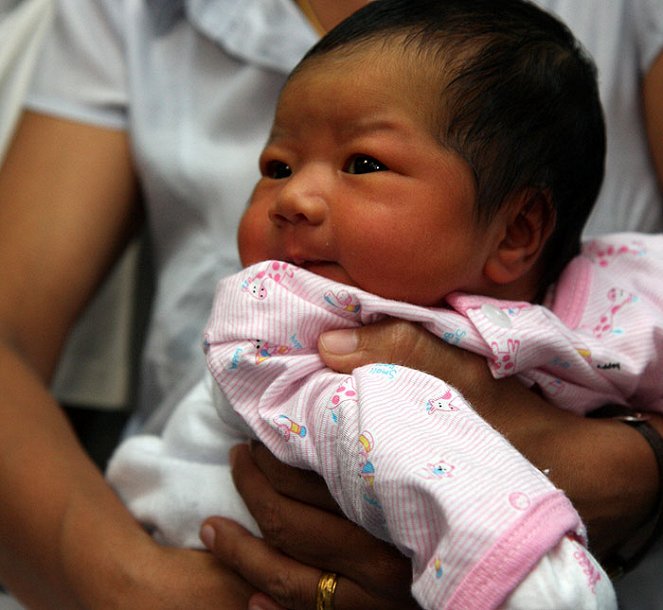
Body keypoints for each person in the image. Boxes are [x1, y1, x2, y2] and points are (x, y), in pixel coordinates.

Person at [0, 0, 660, 608]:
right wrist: (131, 588)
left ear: (516, 232)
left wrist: (637, 463)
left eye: (362, 164)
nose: (292, 199)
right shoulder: (297, 335)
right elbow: (429, 467)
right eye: (278, 166)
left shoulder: (610, 290)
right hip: (210, 566)